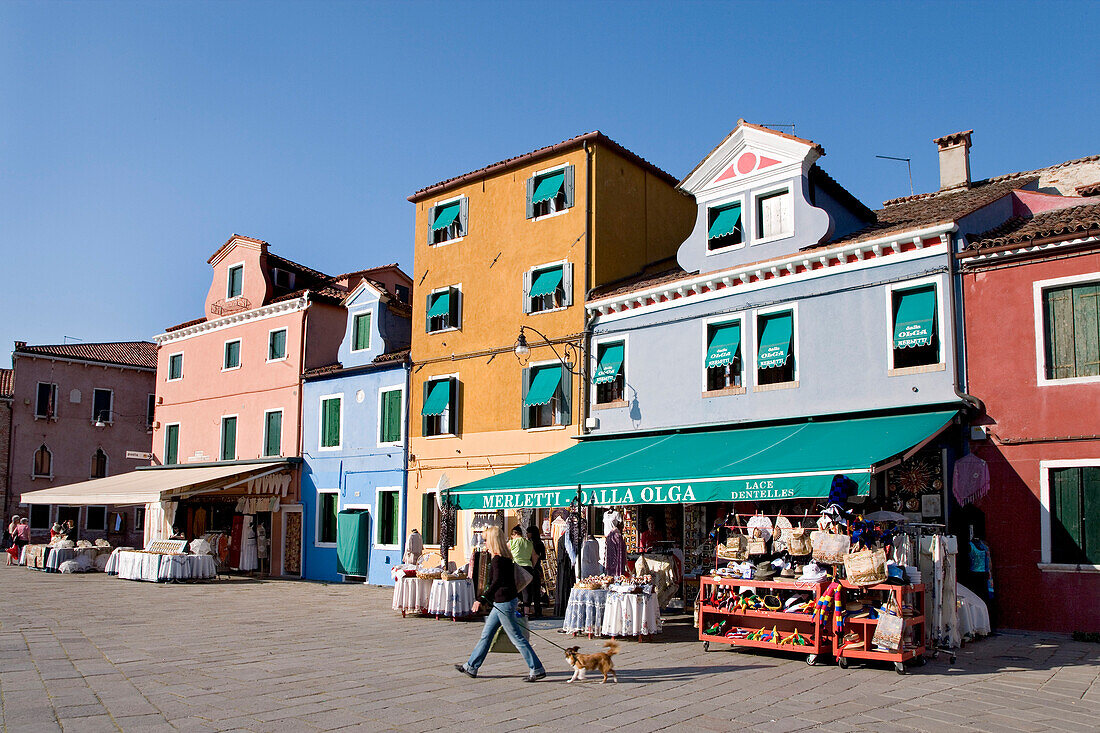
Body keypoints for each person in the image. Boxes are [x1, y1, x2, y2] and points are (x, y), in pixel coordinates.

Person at [454, 526, 546, 682]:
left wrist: (481, 599)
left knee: (517, 637)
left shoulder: (498, 560)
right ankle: (471, 666)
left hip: (504, 603)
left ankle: (536, 669)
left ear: (492, 541)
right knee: (486, 635)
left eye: (485, 540)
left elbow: (496, 583)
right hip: (502, 602)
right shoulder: (506, 558)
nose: (484, 544)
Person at [508, 526, 535, 617]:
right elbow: (535, 556)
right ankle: (527, 611)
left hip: (517, 567)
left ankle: (515, 609)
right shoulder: (529, 543)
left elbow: (505, 553)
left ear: (514, 534)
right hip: (528, 567)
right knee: (526, 590)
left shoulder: (512, 542)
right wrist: (532, 565)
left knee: (515, 588)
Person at [526, 525, 546, 619]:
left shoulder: (529, 543)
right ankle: (538, 610)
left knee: (529, 590)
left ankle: (528, 609)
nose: (527, 534)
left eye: (528, 532)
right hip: (537, 568)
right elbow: (543, 556)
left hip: (530, 567)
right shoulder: (540, 543)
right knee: (536, 591)